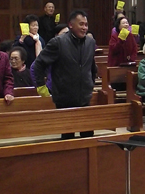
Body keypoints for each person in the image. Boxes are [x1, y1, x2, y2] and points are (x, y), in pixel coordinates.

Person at [33, 10, 98, 138]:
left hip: (84, 97)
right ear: (71, 25)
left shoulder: (90, 42)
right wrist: (41, 86)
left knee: (88, 137)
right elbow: (38, 64)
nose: (84, 28)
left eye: (86, 25)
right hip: (64, 99)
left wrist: (91, 83)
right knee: (68, 138)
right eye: (81, 24)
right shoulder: (58, 42)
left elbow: (91, 66)